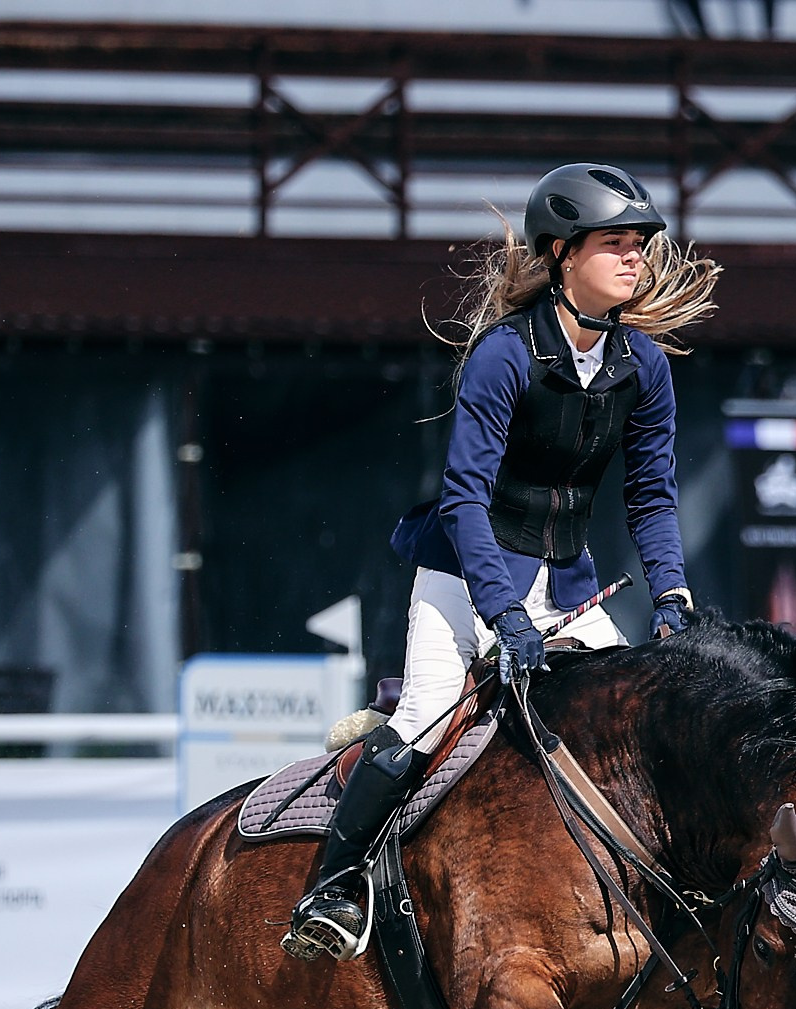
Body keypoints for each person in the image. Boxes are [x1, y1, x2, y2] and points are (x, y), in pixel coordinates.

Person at [279, 163, 720, 962]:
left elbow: (651, 497)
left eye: (639, 246)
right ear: (559, 253)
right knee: (423, 724)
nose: (635, 260)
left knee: (636, 727)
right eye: (615, 244)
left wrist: (673, 597)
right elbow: (464, 500)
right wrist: (505, 614)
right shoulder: (503, 356)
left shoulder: (644, 365)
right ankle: (333, 886)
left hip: (574, 587)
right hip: (466, 570)